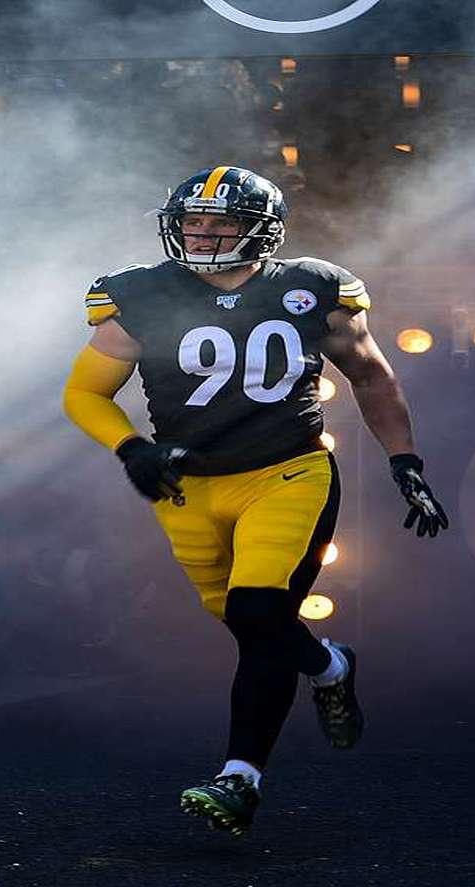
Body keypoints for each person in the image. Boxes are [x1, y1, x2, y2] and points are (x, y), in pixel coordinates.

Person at [61, 165, 450, 836]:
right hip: (187, 485)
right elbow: (84, 393)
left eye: (223, 224)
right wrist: (133, 449)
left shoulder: (309, 287)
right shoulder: (141, 294)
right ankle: (330, 665)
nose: (205, 236)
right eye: (194, 222)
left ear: (260, 231)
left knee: (259, 612)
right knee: (249, 625)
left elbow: (371, 377)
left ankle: (239, 780)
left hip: (288, 472)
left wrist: (405, 461)